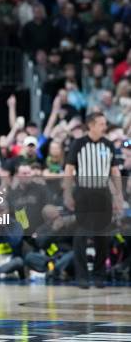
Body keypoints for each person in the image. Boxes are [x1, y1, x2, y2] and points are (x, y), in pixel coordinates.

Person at [64, 112, 124, 289]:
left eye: (105, 124)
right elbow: (69, 170)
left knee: (102, 237)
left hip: (103, 194)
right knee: (81, 235)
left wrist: (118, 195)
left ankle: (99, 275)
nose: (104, 127)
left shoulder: (108, 145)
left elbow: (115, 171)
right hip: (83, 193)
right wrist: (67, 194)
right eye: (101, 124)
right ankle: (81, 276)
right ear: (91, 125)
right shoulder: (78, 144)